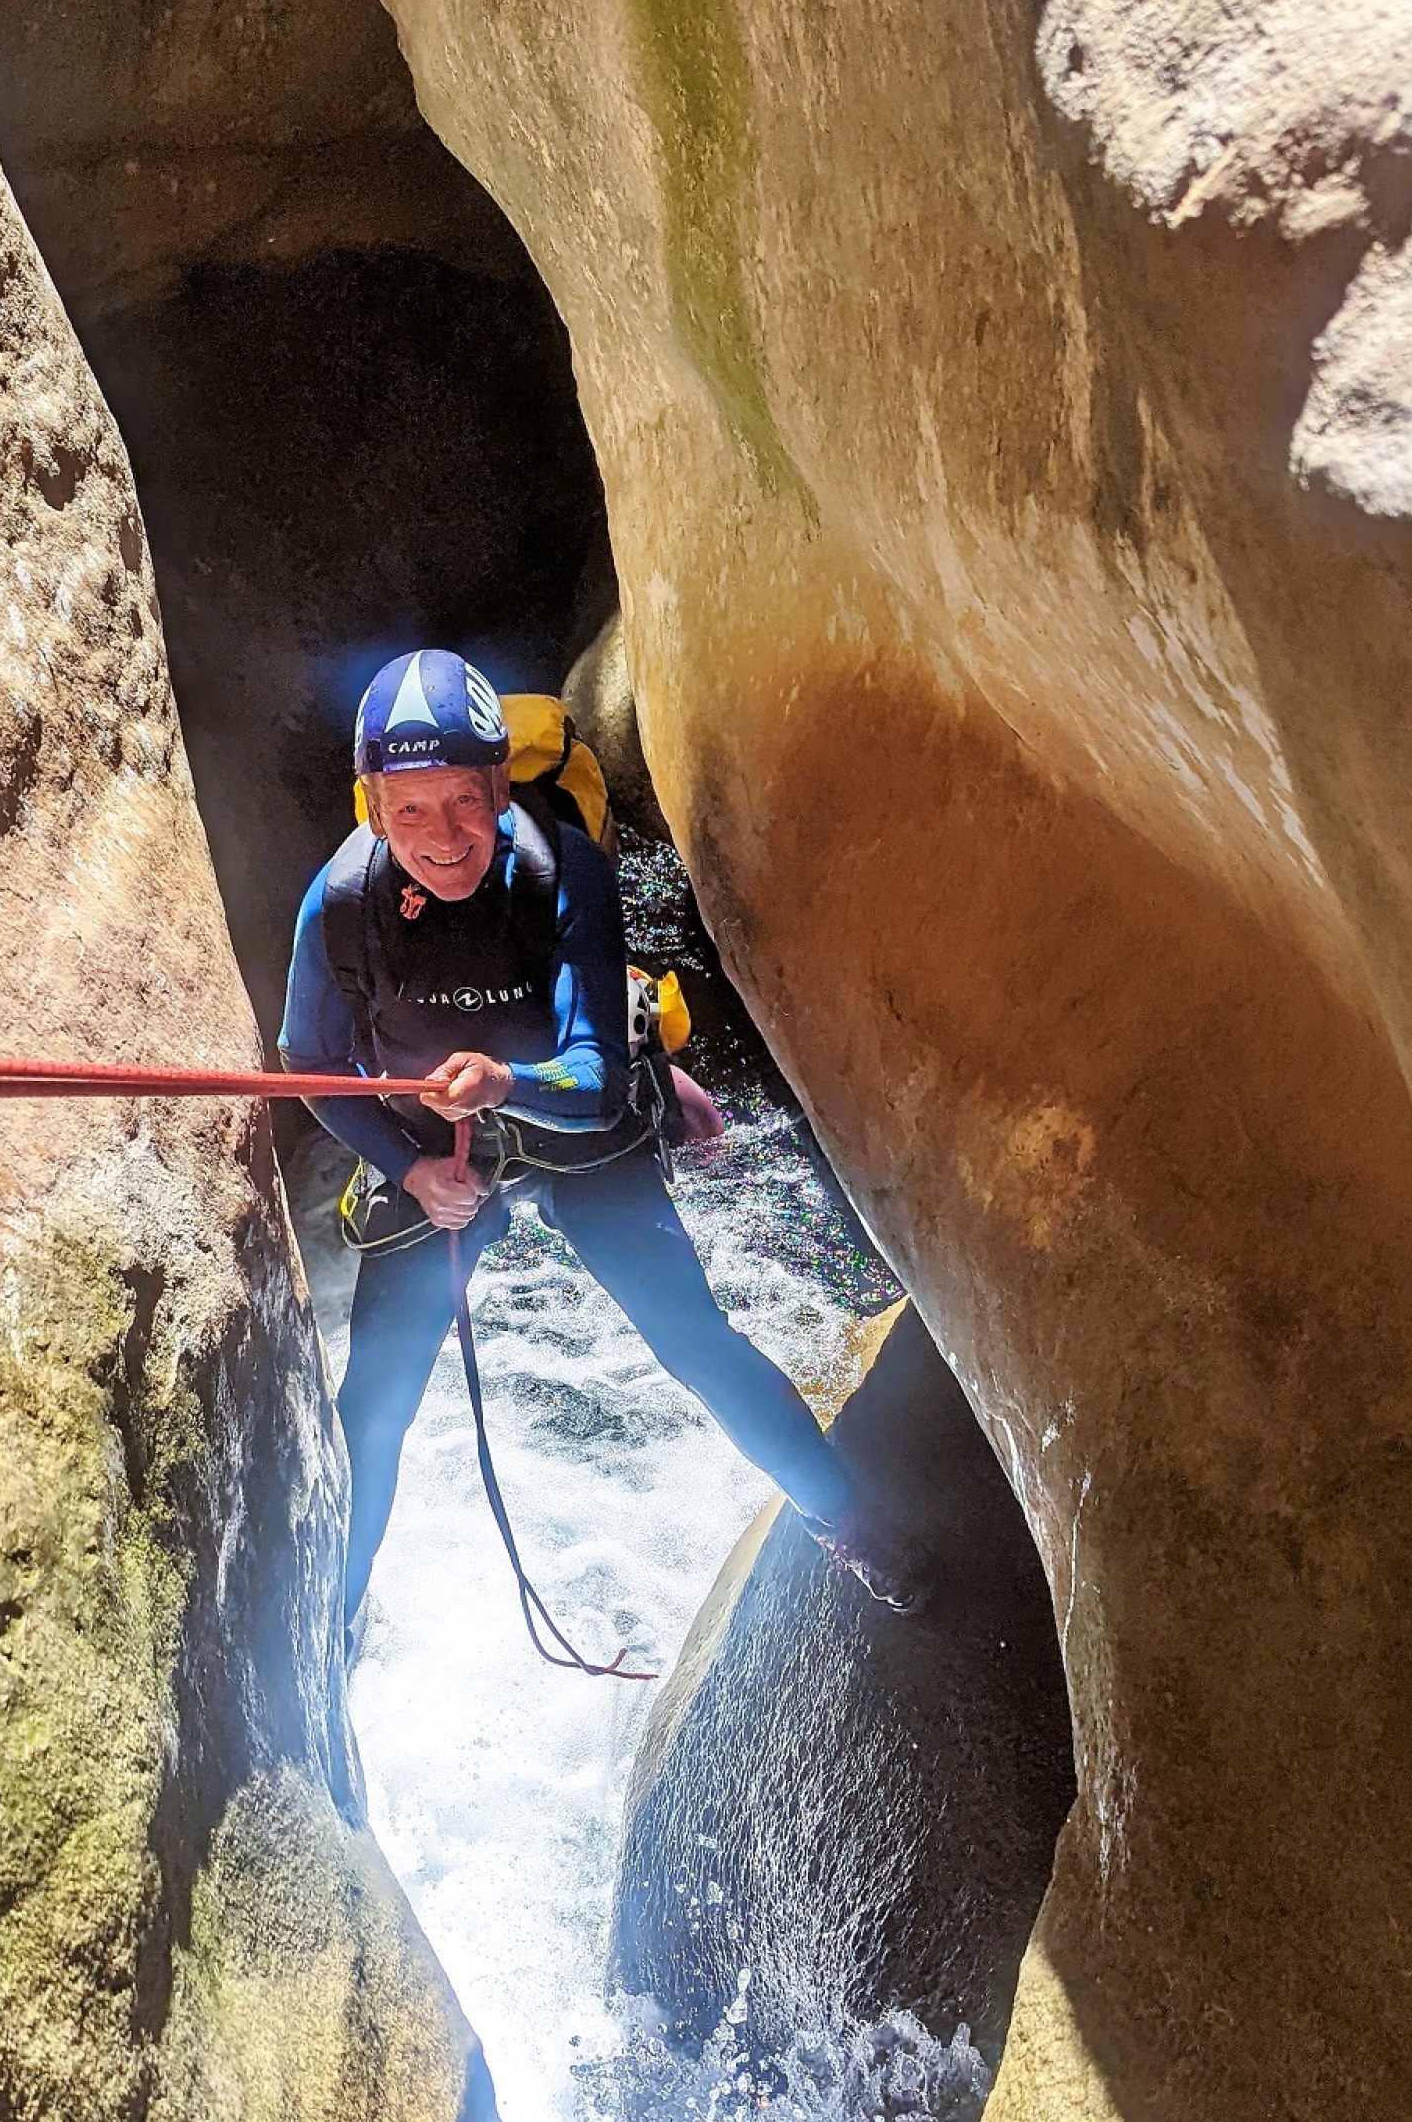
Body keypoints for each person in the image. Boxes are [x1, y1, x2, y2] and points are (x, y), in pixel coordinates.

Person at [280, 647, 930, 1639]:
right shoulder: (339, 906)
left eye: (464, 799)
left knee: (695, 1343)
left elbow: (588, 1080)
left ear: (499, 786)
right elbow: (311, 1068)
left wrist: (508, 1084)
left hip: (572, 1129)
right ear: (371, 804)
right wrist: (408, 1166)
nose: (442, 834)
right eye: (410, 808)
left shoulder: (561, 870)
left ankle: (850, 1523)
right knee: (374, 1402)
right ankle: (329, 1627)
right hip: (433, 1152)